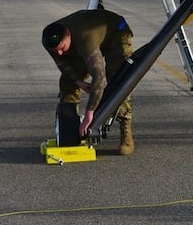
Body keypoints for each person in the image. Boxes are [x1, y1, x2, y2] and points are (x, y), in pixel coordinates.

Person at [41, 9, 135, 155]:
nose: (59, 53)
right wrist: (77, 81)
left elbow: (99, 78)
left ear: (68, 36)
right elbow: (63, 64)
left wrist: (90, 112)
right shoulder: (49, 41)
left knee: (119, 83)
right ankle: (69, 127)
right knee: (67, 82)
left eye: (62, 48)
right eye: (56, 50)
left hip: (116, 33)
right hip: (83, 41)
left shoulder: (85, 40)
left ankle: (126, 134)